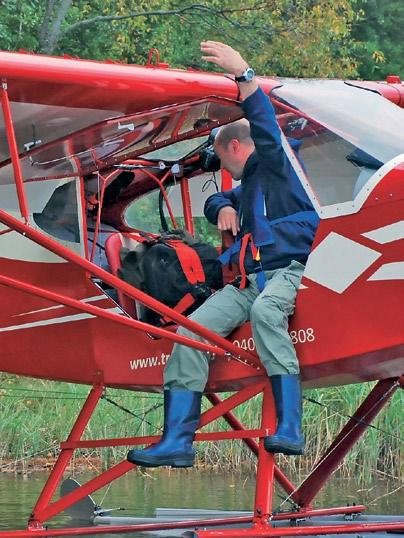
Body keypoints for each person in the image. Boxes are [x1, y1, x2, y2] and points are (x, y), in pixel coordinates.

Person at [126, 42, 319, 468]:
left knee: (269, 313)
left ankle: (290, 428)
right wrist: (222, 205)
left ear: (234, 148)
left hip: (285, 272)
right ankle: (177, 440)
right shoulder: (248, 185)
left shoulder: (276, 166)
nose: (221, 169)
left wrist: (245, 76)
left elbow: (266, 128)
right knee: (190, 331)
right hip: (248, 281)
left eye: (221, 159)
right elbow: (219, 200)